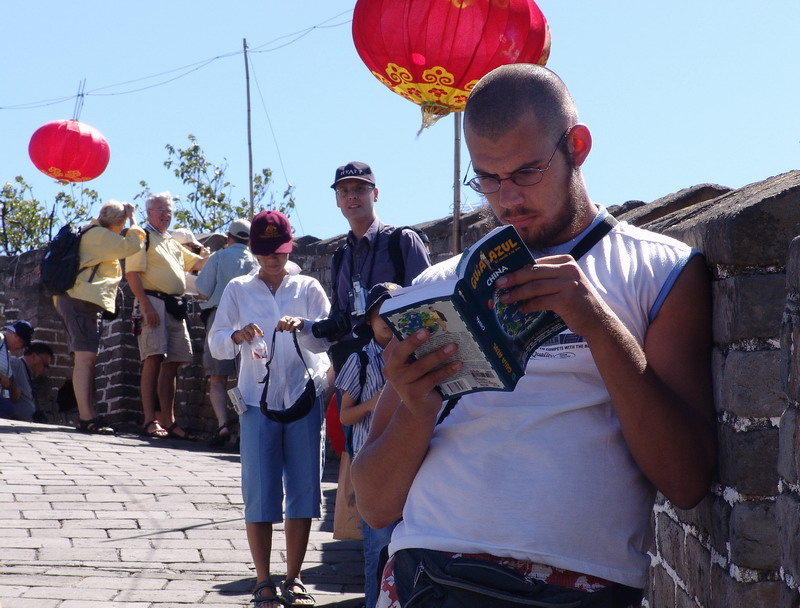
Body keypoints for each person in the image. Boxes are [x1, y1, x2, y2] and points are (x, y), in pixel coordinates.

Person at [352, 64, 716, 608]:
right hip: (428, 570)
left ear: (578, 146)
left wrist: (595, 321)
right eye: (487, 178)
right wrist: (415, 403)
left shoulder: (658, 272)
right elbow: (376, 506)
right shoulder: (438, 285)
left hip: (574, 584)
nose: (508, 199)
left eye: (527, 172)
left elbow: (686, 480)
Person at [208, 210, 331, 608]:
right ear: (254, 251)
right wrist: (237, 335)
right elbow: (216, 342)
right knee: (259, 490)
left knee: (303, 488)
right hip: (256, 400)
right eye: (264, 251)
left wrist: (305, 327)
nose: (271, 259)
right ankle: (263, 580)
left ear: (288, 247)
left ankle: (293, 578)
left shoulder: (308, 287)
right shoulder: (238, 289)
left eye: (277, 251)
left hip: (302, 395)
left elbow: (328, 337)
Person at [321, 161, 431, 374]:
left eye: (360, 189)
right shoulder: (340, 257)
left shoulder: (402, 241)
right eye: (344, 191)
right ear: (337, 200)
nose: (351, 196)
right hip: (352, 372)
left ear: (376, 194)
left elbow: (424, 308)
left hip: (397, 367)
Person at [53, 200, 145, 434]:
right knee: (85, 358)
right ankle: (86, 419)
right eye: (122, 223)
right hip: (78, 300)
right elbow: (132, 246)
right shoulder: (100, 236)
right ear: (118, 223)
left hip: (76, 299)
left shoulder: (91, 232)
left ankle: (89, 415)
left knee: (86, 358)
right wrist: (134, 221)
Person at [335, 282, 400, 608]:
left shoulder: (414, 357)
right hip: (370, 465)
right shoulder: (359, 360)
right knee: (377, 548)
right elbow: (344, 416)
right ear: (370, 320)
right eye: (380, 314)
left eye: (394, 313)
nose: (387, 321)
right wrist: (376, 402)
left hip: (410, 465)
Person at [125, 192, 209, 439]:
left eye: (169, 210)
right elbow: (132, 274)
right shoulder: (143, 237)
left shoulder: (171, 241)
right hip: (153, 302)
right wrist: (145, 306)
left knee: (172, 362)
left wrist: (214, 251)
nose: (165, 214)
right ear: (149, 212)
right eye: (160, 210)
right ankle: (149, 420)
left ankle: (168, 421)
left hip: (175, 305)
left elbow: (200, 264)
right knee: (153, 358)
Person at [195, 218, 256, 446]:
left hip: (219, 316)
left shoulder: (219, 257)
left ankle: (222, 425)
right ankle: (244, 430)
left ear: (229, 238)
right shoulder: (254, 262)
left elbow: (202, 289)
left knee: (218, 377)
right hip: (248, 320)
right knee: (246, 377)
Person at [0, 343, 54, 422]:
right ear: (34, 356)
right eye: (45, 365)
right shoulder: (17, 364)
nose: (45, 370)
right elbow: (4, 386)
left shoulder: (27, 371)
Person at [0, 321, 35, 418]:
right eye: (23, 344)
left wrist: (14, 387)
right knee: (7, 409)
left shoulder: (6, 352)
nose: (21, 348)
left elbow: (9, 376)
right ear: (16, 336)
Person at [171, 227, 210, 296]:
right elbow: (205, 288)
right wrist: (204, 261)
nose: (194, 250)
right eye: (192, 246)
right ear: (181, 247)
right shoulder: (178, 270)